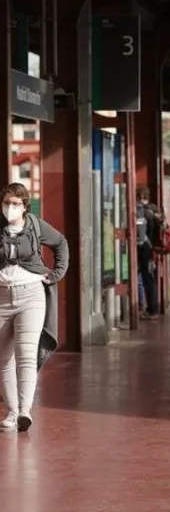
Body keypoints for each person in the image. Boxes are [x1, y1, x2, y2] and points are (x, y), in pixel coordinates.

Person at [0, 183, 69, 432]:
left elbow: (60, 243)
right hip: (1, 297)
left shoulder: (35, 226)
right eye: (6, 203)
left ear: (25, 206)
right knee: (3, 359)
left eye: (15, 204)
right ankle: (12, 411)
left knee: (26, 355)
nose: (10, 208)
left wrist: (56, 273)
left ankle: (25, 411)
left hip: (32, 295)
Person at [135, 187, 159, 318]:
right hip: (152, 248)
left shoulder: (142, 210)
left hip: (144, 248)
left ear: (140, 196)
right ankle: (151, 308)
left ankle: (150, 309)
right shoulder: (154, 209)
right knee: (149, 277)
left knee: (145, 278)